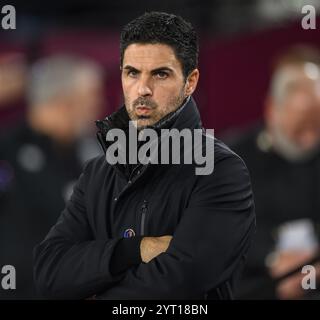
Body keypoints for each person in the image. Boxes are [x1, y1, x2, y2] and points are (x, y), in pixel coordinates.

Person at [33, 12, 256, 300]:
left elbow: (179, 284)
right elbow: (49, 272)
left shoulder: (221, 170)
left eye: (160, 74)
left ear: (191, 82)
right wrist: (134, 249)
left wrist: (94, 287)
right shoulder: (99, 171)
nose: (143, 89)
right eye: (132, 73)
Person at [0, 54, 104, 299]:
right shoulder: (7, 150)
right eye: (90, 99)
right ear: (63, 102)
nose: (98, 107)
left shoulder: (92, 154)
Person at [227, 46, 320, 299]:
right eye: (300, 127)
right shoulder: (232, 159)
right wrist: (272, 257)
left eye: (316, 124)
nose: (309, 138)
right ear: (273, 110)